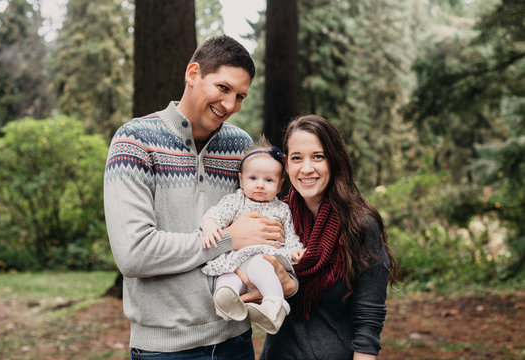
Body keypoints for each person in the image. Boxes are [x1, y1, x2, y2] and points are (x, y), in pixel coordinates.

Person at [104, 35, 297, 360]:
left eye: (240, 96)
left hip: (235, 341)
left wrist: (284, 274)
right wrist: (227, 240)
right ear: (193, 74)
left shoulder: (240, 147)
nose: (231, 105)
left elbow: (268, 223)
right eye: (223, 88)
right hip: (164, 349)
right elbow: (133, 254)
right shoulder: (135, 141)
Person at [256, 114, 397, 360]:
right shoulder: (275, 220)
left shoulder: (360, 225)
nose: (307, 168)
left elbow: (368, 320)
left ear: (334, 161)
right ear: (286, 165)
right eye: (297, 158)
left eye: (318, 157)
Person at [200, 140, 305, 335]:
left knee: (261, 265)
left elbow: (290, 236)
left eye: (268, 180)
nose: (259, 185)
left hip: (262, 256)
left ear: (280, 184)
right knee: (227, 276)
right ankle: (226, 301)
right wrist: (210, 224)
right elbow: (216, 214)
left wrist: (295, 250)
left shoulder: (282, 209)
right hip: (236, 258)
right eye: (253, 178)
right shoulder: (235, 201)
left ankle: (274, 305)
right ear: (241, 180)